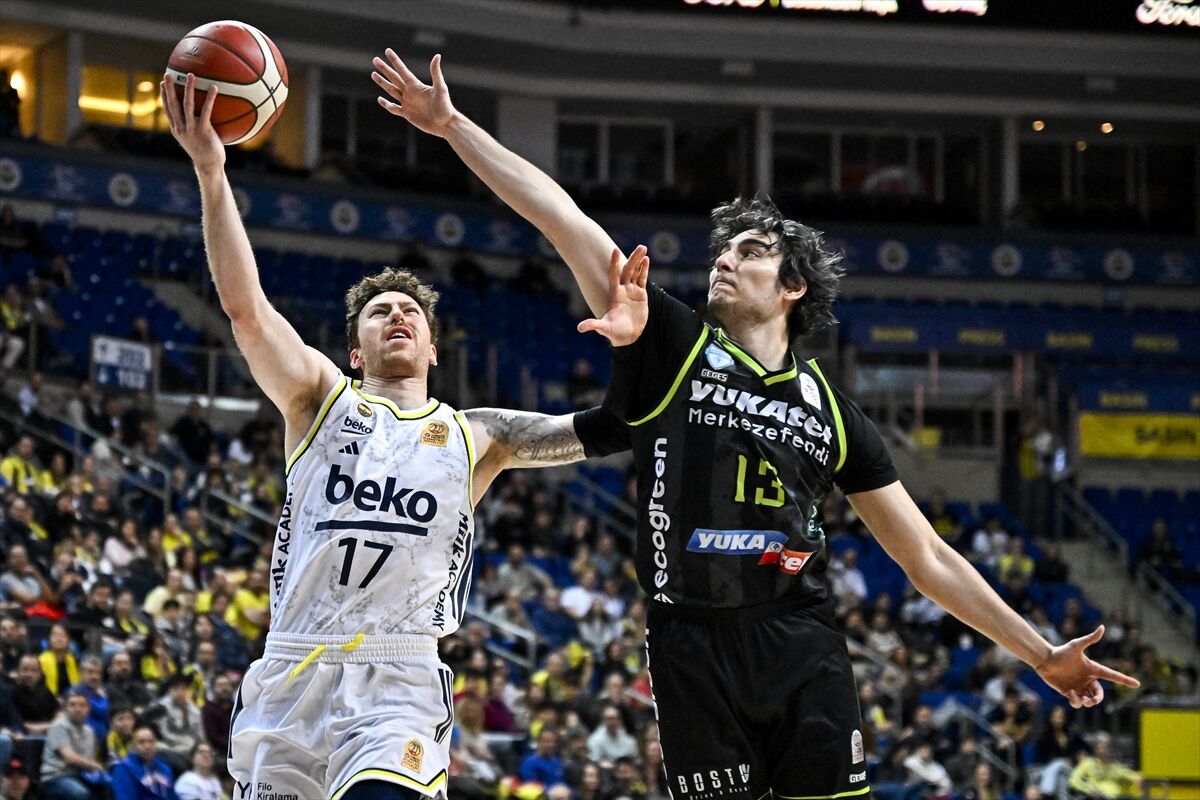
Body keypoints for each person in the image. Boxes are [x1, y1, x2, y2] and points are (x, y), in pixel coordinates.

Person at [374, 50, 1141, 799]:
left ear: (792, 286)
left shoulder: (834, 413)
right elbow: (559, 217)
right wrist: (452, 127)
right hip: (689, 643)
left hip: (800, 640)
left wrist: (1038, 652)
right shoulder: (672, 342)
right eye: (723, 250)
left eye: (750, 252)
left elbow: (927, 557)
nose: (724, 260)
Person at [160, 68, 626, 800]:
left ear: (434, 349)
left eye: (411, 312)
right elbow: (247, 312)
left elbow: (613, 426)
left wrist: (635, 344)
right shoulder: (318, 401)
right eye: (380, 312)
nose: (398, 316)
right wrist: (212, 172)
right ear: (355, 350)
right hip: (293, 667)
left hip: (397, 675)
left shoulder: (479, 436)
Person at [41, 691, 108, 800]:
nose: (78, 709)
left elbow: (89, 759)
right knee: (81, 794)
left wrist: (97, 770)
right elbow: (69, 758)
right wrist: (94, 765)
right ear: (65, 709)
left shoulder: (89, 731)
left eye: (82, 705)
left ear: (88, 709)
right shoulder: (58, 726)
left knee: (109, 788)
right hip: (56, 776)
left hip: (81, 775)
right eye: (72, 705)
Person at [111, 723, 178, 800]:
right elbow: (124, 797)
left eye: (151, 741)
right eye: (141, 742)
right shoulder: (124, 768)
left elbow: (173, 796)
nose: (147, 746)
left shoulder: (165, 768)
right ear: (133, 746)